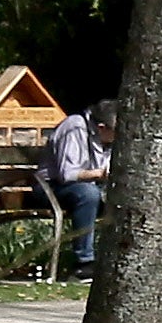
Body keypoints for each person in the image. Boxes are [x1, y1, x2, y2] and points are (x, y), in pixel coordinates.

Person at [42, 98, 110, 281]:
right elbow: (67, 174)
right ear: (102, 127)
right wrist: (101, 174)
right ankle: (84, 264)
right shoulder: (74, 127)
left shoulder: (103, 137)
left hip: (86, 188)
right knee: (88, 194)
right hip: (50, 188)